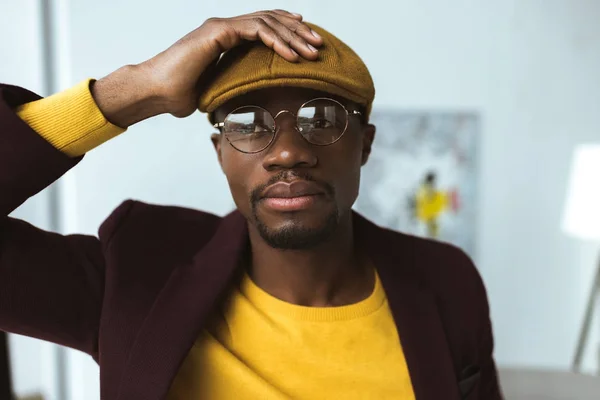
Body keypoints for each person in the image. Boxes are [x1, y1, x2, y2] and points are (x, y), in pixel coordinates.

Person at [0, 10, 502, 400]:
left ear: (365, 145)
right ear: (220, 154)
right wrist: (136, 89)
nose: (288, 152)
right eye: (247, 123)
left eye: (323, 118)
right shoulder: (136, 275)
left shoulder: (446, 282)